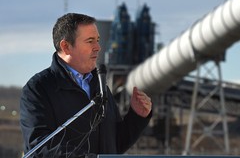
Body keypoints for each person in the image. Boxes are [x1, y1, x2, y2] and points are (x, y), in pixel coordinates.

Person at [20, 13, 152, 158]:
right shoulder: (38, 89)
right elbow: (39, 146)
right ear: (66, 46)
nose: (98, 47)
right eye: (90, 41)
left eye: (98, 40)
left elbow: (114, 145)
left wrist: (137, 117)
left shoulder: (99, 85)